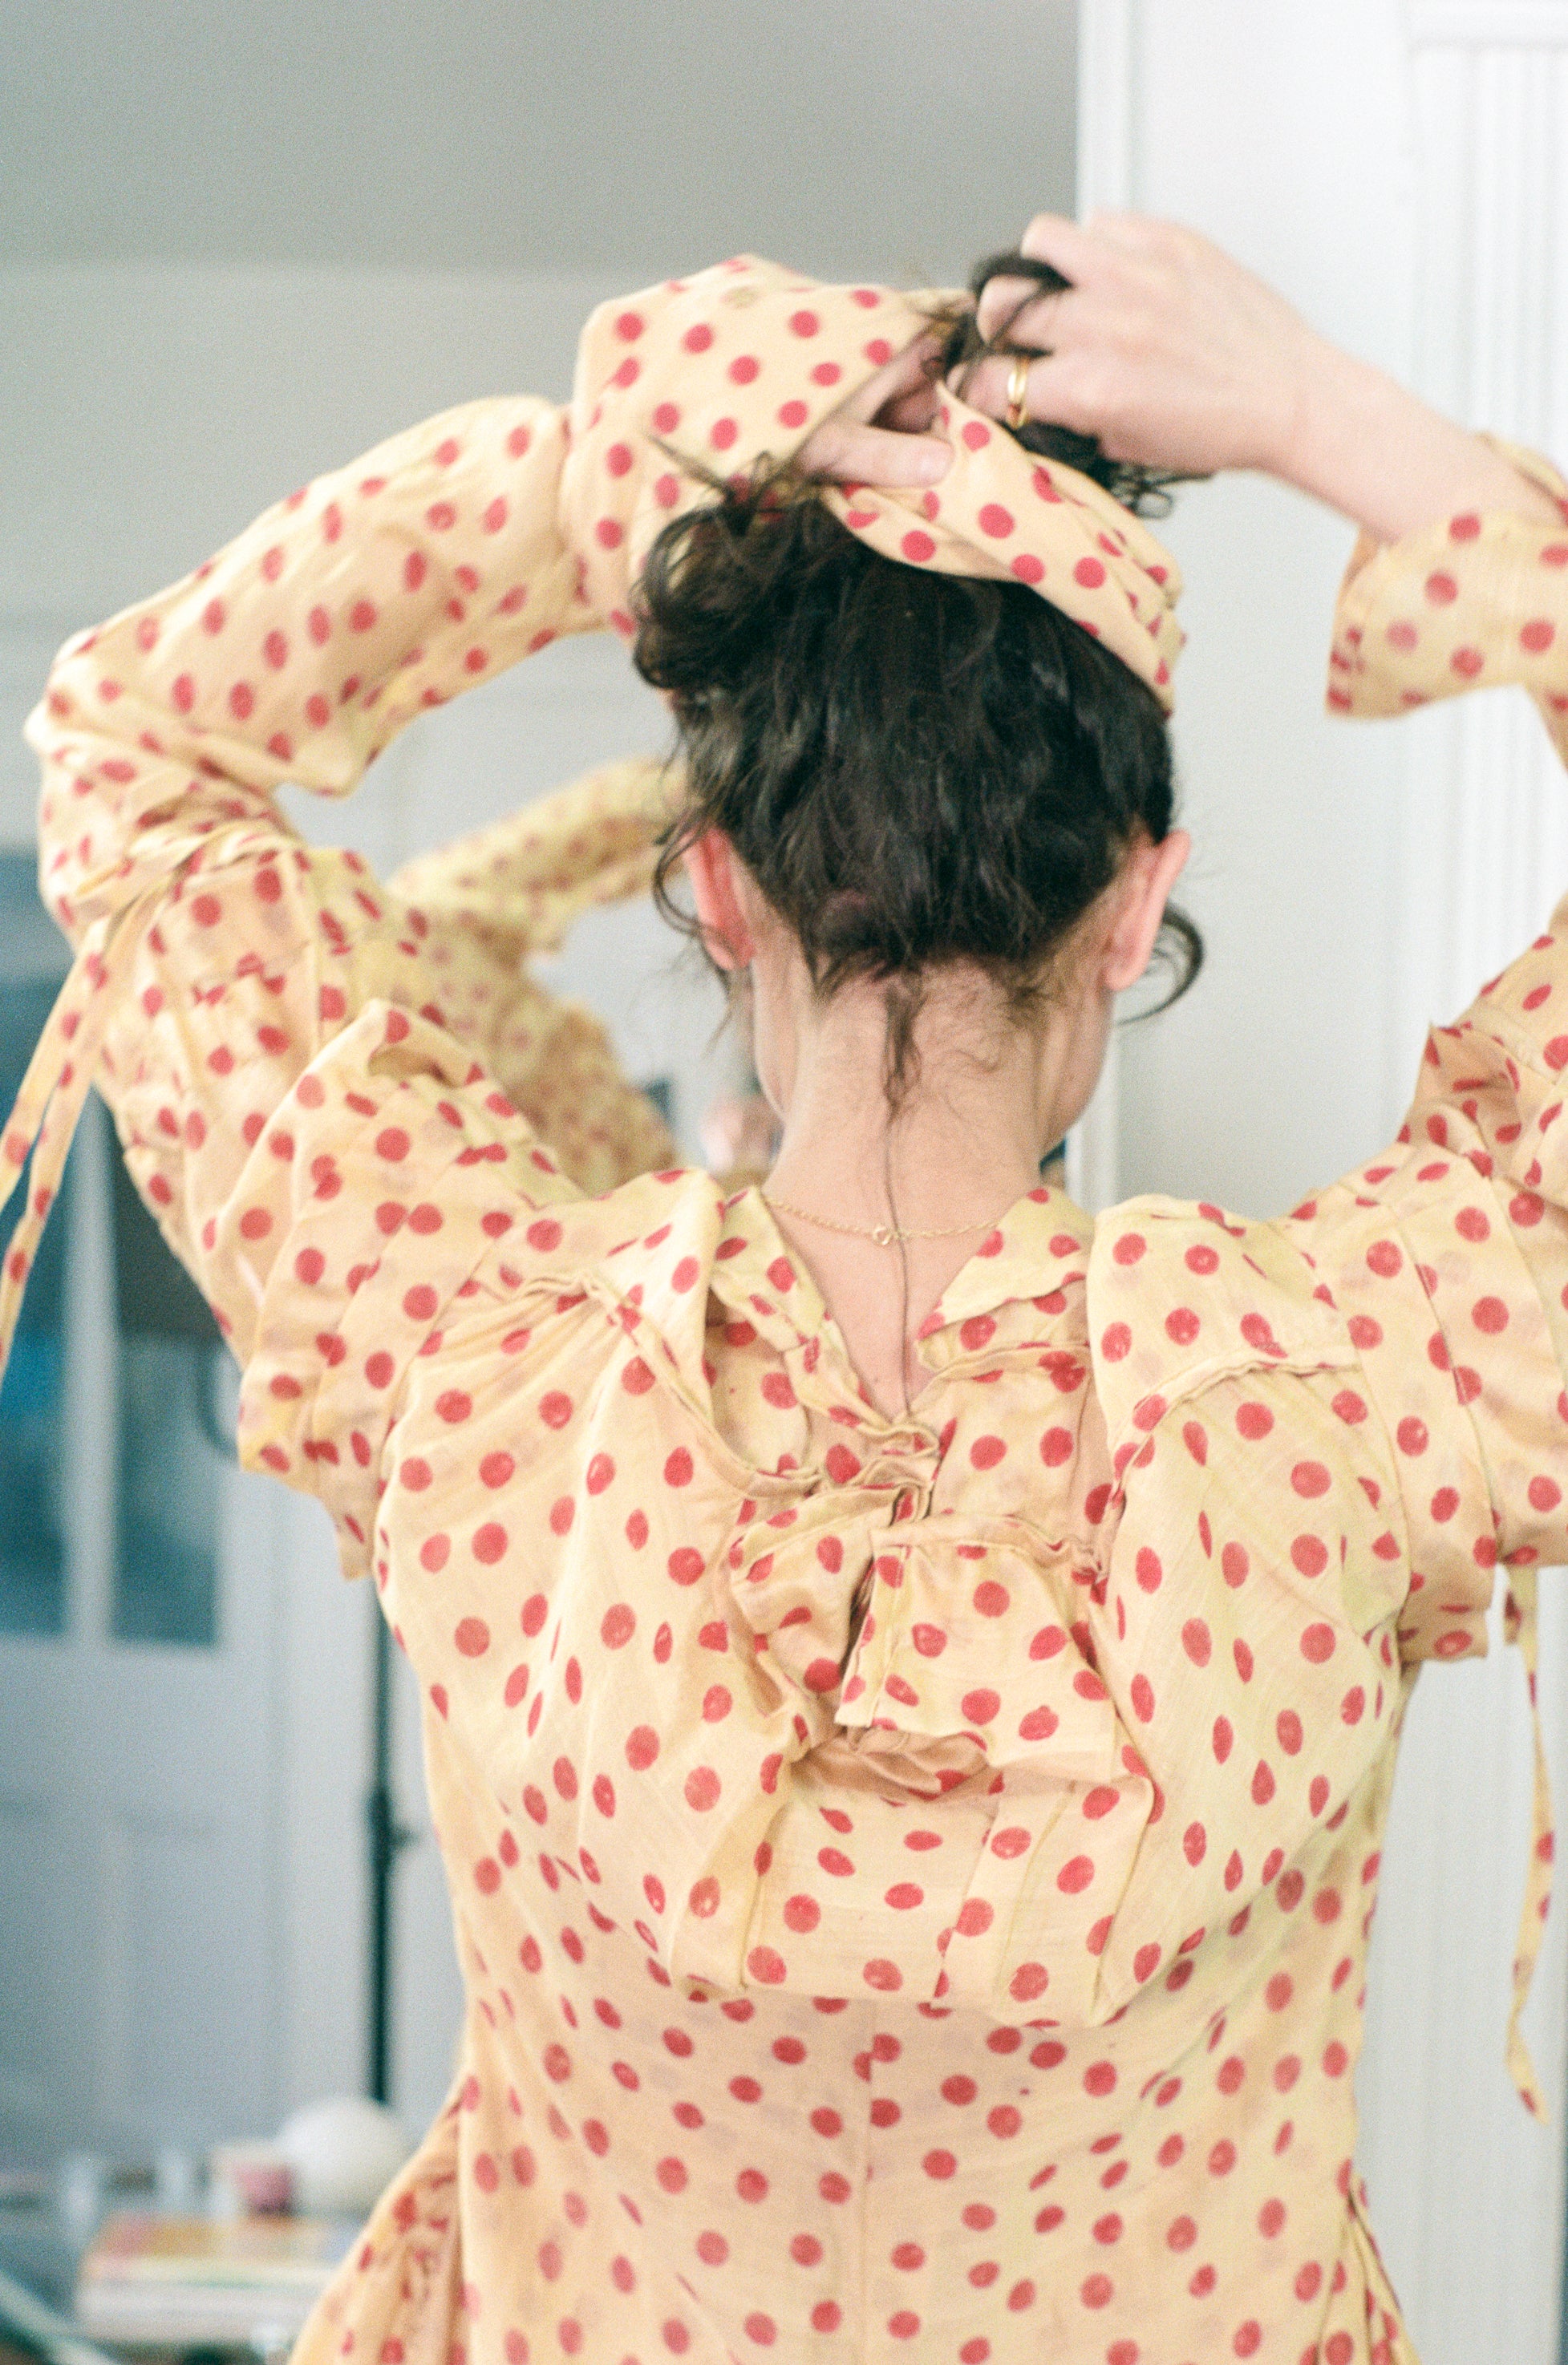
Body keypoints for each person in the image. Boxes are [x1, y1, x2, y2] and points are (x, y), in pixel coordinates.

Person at [5, 213, 1567, 2365]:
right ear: (1134, 906)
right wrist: (1327, 417)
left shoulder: (467, 1350)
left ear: (721, 888)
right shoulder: (1357, 1396)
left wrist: (597, 487)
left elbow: (133, 754)